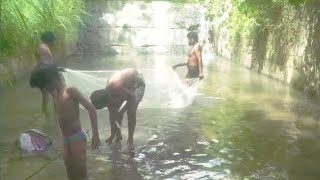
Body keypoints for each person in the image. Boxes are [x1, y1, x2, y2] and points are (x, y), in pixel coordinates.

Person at [35, 66, 101, 180]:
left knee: (81, 174)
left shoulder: (71, 91)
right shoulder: (56, 95)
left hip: (77, 137)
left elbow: (91, 109)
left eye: (47, 85)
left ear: (55, 80)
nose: (46, 88)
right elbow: (60, 119)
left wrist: (95, 134)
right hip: (65, 140)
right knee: (70, 174)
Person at [90, 68, 145, 146]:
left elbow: (133, 98)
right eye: (107, 106)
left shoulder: (117, 88)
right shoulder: (107, 95)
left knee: (131, 112)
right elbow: (113, 117)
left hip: (138, 83)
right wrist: (113, 134)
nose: (109, 106)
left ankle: (130, 138)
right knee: (114, 113)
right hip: (125, 85)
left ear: (109, 98)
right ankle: (118, 135)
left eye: (108, 104)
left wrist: (122, 112)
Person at [29, 31, 56, 117]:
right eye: (53, 40)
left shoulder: (42, 47)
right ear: (49, 40)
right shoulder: (44, 48)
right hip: (44, 74)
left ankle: (44, 114)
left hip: (40, 74)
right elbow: (44, 62)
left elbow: (41, 61)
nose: (53, 42)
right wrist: (54, 69)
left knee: (45, 95)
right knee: (55, 94)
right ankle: (56, 115)